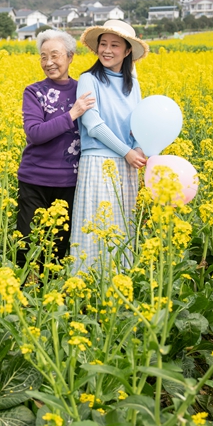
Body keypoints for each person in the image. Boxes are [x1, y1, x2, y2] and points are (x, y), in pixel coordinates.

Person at [71, 20, 149, 269]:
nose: (106, 50)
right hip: (98, 163)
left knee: (123, 231)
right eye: (103, 44)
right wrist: (127, 151)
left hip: (127, 165)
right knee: (95, 228)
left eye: (114, 45)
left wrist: (138, 149)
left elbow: (138, 123)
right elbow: (92, 124)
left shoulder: (133, 85)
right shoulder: (89, 79)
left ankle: (120, 283)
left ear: (127, 51)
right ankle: (86, 284)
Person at [16, 29, 95, 268]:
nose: (48, 62)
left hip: (69, 182)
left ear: (70, 57)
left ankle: (51, 289)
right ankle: (25, 288)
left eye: (54, 55)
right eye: (43, 57)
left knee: (59, 249)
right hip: (34, 180)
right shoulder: (34, 91)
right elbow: (35, 133)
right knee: (26, 246)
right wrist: (72, 114)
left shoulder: (83, 91)